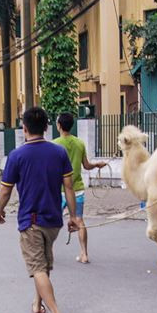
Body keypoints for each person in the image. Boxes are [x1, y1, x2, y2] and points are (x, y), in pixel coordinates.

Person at [0, 107, 78, 313]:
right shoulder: (59, 152)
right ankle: (38, 303)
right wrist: (73, 217)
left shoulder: (17, 156)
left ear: (24, 129)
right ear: (46, 128)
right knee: (42, 264)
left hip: (31, 221)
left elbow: (5, 191)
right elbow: (69, 188)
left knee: (38, 267)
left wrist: (0, 211)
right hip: (54, 221)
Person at [53, 112, 107, 263]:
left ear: (59, 125)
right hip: (77, 189)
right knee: (79, 221)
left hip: (59, 190)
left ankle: (48, 253)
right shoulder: (80, 143)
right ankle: (84, 254)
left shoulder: (54, 144)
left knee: (52, 221)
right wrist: (98, 164)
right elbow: (87, 165)